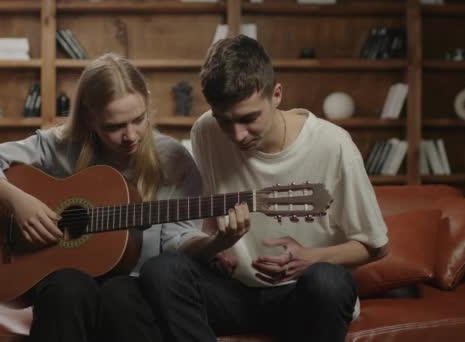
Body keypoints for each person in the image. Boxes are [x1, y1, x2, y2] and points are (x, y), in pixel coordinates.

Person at [139, 35, 390, 342]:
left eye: (249, 118)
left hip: (303, 295)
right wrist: (217, 244)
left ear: (277, 94)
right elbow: (206, 220)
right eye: (224, 121)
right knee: (162, 270)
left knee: (329, 282)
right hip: (237, 293)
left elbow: (377, 246)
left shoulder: (333, 145)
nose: (237, 134)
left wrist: (311, 257)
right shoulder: (205, 131)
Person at [0, 53, 204, 342]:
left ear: (147, 104)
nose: (131, 135)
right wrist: (15, 201)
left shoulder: (173, 159)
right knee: (67, 285)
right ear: (89, 118)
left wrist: (214, 244)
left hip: (130, 287)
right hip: (63, 282)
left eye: (138, 119)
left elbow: (177, 242)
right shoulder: (60, 145)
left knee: (122, 295)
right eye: (114, 126)